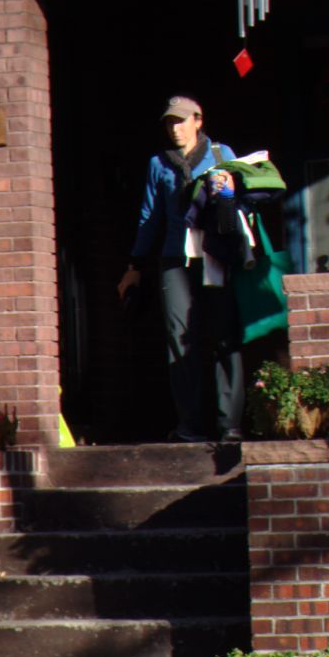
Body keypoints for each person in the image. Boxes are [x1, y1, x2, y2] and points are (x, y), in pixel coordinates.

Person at [116, 95, 245, 442]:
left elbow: (244, 200)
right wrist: (135, 265)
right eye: (169, 123)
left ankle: (229, 424)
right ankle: (190, 424)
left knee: (223, 336)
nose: (175, 129)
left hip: (215, 255)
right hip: (176, 258)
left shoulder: (222, 155)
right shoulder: (159, 163)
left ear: (198, 120)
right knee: (179, 339)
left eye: (181, 121)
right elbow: (150, 216)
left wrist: (231, 190)